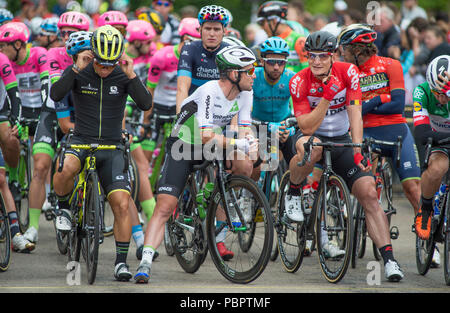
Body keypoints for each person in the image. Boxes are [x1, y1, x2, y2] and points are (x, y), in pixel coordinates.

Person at [134, 45, 258, 283]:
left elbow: (243, 129)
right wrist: (238, 143)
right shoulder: (210, 91)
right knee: (165, 206)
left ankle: (218, 212)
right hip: (185, 143)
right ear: (234, 74)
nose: (254, 75)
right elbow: (205, 136)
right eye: (249, 70)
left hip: (211, 143)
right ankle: (145, 261)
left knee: (244, 165)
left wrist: (250, 142)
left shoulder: (246, 92)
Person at [288, 30, 404, 281]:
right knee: (312, 147)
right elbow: (306, 126)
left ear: (333, 56)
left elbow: (355, 111)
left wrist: (358, 146)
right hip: (311, 136)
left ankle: (389, 260)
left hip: (341, 139)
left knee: (369, 194)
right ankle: (294, 190)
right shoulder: (299, 81)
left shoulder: (348, 72)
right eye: (312, 56)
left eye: (322, 56)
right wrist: (327, 98)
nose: (316, 61)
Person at [50, 25, 152, 281]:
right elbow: (55, 94)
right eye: (101, 64)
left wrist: (131, 76)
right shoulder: (79, 71)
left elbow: (145, 103)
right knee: (65, 169)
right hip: (81, 140)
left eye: (111, 64)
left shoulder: (122, 74)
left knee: (121, 202)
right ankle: (63, 208)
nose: (105, 69)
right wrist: (75, 70)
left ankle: (120, 262)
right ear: (92, 55)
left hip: (112, 146)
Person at [338, 24, 421, 225]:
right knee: (363, 184)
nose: (341, 54)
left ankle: (428, 228)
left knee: (412, 188)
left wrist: (364, 105)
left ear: (357, 49)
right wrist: (378, 99)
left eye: (344, 49)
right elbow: (348, 108)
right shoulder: (347, 71)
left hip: (395, 130)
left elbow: (397, 104)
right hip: (365, 133)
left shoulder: (390, 65)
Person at [22, 11, 90, 245]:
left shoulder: (93, 53)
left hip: (81, 113)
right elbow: (56, 87)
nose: (66, 36)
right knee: (40, 166)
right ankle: (32, 227)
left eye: (72, 33)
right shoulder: (53, 54)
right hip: (53, 112)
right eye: (63, 33)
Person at [0, 21, 49, 202]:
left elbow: (46, 86)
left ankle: (49, 190)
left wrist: (46, 113)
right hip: (20, 109)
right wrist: (15, 119)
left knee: (45, 152)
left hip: (41, 109)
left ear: (18, 44)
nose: (1, 50)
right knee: (14, 140)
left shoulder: (38, 54)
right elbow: (10, 96)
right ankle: (14, 179)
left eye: (4, 46)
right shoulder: (7, 63)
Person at [412, 56, 450, 246]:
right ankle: (426, 209)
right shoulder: (422, 91)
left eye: (446, 94)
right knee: (436, 168)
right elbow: (421, 132)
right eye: (437, 93)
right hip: (436, 138)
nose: (441, 99)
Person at [0, 51, 34, 253]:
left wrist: (17, 120)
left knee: (1, 179)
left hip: (1, 113)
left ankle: (15, 234)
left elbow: (14, 93)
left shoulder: (2, 59)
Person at [257, 1, 308, 74]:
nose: (262, 28)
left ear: (274, 21)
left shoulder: (299, 40)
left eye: (262, 23)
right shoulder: (268, 42)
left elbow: (308, 73)